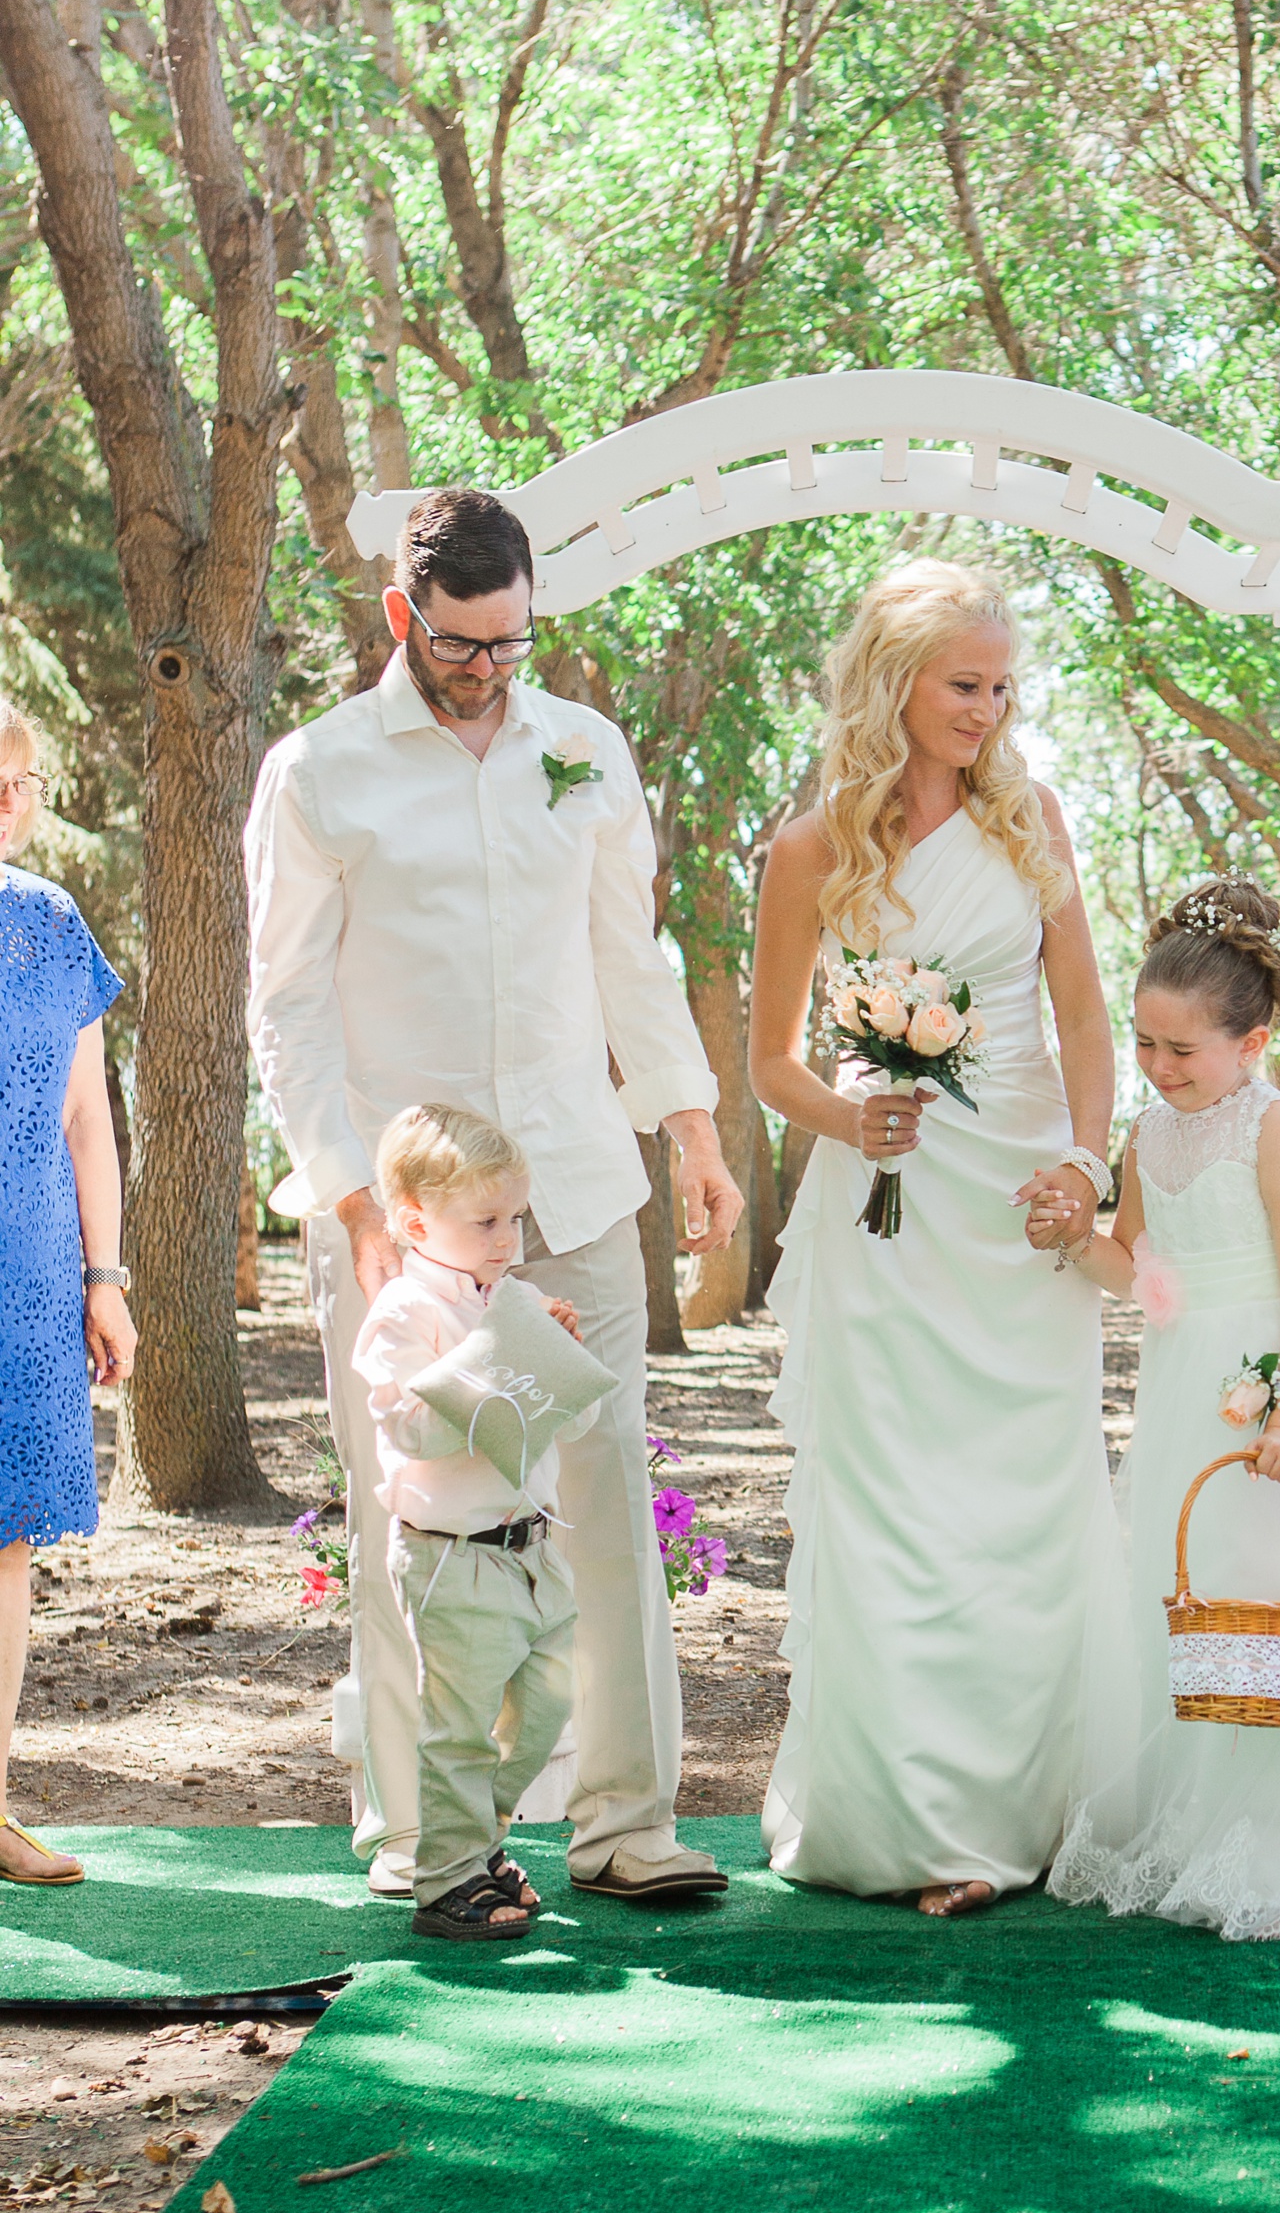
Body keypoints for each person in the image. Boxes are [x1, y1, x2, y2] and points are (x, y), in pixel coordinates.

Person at [246, 487, 742, 1906]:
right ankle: (423, 1835)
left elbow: (631, 960)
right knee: (407, 1517)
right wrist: (352, 1205)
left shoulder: (583, 752)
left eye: (513, 641)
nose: (489, 667)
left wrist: (692, 1129)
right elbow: (286, 1007)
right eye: (464, 644)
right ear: (406, 617)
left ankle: (625, 1822)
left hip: (575, 1190)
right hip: (399, 1225)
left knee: (604, 1503)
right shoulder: (318, 771)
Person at [747, 559, 1121, 1914]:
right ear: (895, 684)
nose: (989, 708)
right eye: (966, 683)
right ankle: (905, 1820)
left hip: (1021, 1211)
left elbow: (1086, 1017)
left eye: (1003, 685)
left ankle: (1032, 1813)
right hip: (888, 1213)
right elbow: (772, 1063)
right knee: (896, 1504)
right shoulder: (807, 853)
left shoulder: (1035, 821)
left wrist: (1088, 1161)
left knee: (1024, 1504)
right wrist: (852, 1119)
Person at [1048, 882, 1280, 1940]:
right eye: (1146, 1045)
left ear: (1253, 1040)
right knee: (1199, 1596)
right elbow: (1143, 1267)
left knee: (1279, 1594)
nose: (1162, 1068)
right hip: (1185, 1382)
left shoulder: (1276, 1127)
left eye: (1184, 1050)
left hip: (1279, 1377)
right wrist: (1074, 1243)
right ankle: (1203, 1816)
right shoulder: (1145, 1134)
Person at [355, 1106, 606, 1942]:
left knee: (546, 1705)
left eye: (516, 1218)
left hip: (531, 1546)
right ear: (417, 1222)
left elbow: (556, 1424)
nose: (507, 1238)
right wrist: (491, 1362)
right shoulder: (402, 1312)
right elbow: (407, 1429)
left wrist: (552, 1354)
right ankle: (446, 1882)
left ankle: (476, 1840)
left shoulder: (519, 1298)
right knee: (459, 1724)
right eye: (487, 1221)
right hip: (452, 1555)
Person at [0, 700, 137, 1888]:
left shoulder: (51, 923)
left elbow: (89, 1122)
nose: (13, 801)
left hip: (34, 1272)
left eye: (26, 780)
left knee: (5, 1544)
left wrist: (107, 1279)